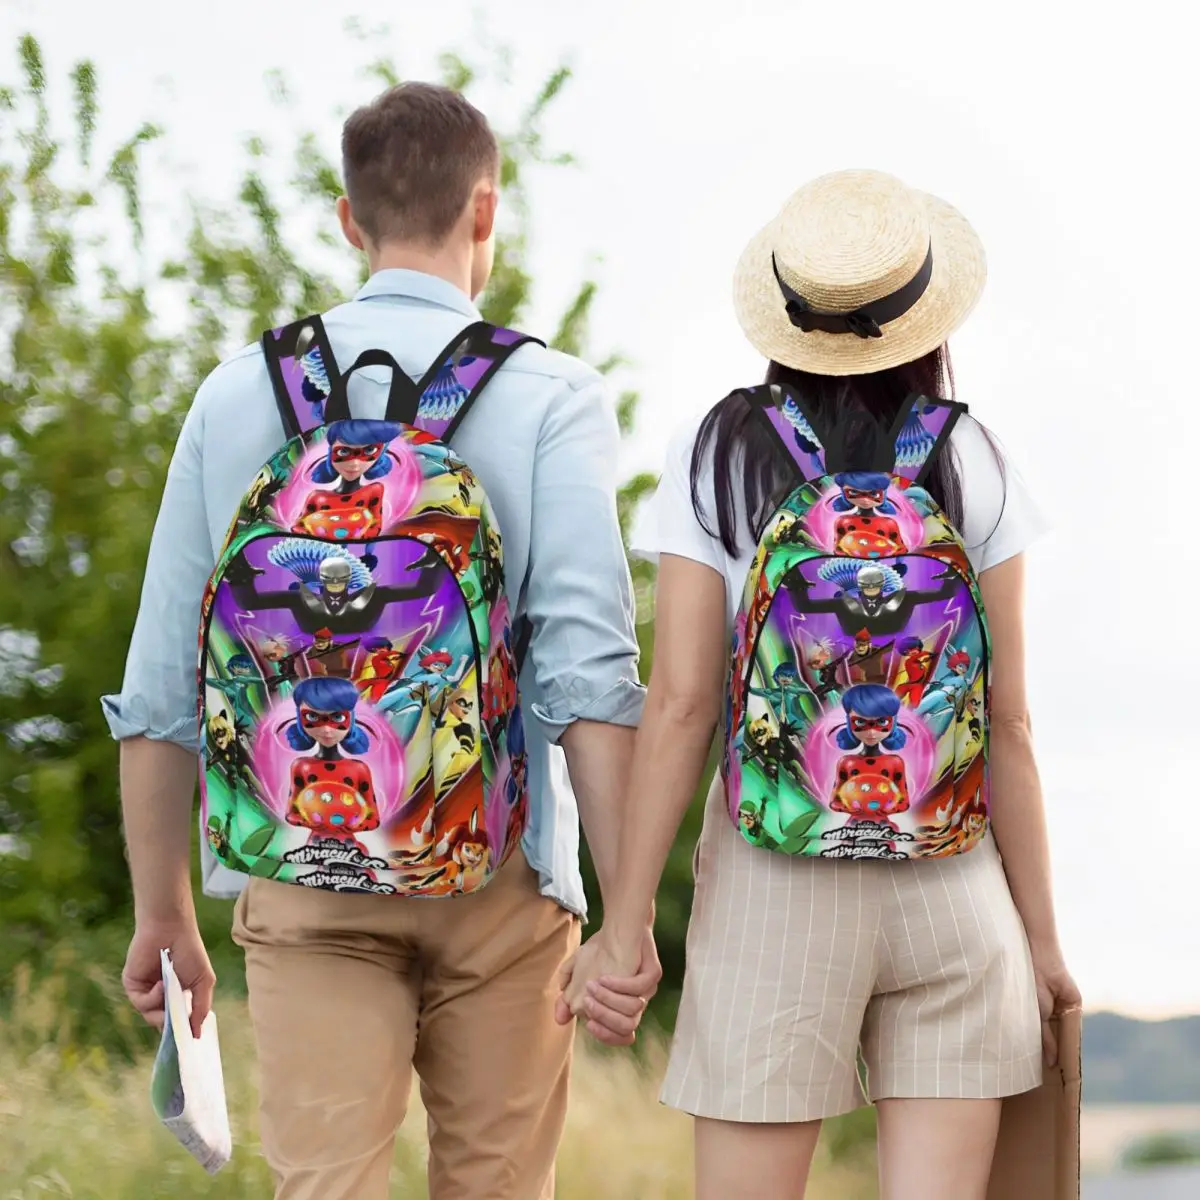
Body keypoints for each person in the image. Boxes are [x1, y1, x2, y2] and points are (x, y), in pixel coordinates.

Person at [103, 81, 661, 1200]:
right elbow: (588, 677)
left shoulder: (235, 395)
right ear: (486, 213)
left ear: (349, 220)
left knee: (325, 1187)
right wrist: (627, 914)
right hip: (500, 873)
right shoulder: (550, 394)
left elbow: (163, 682)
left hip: (300, 871)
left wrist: (162, 912)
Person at [558, 169, 1080, 1200]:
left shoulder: (717, 453)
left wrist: (624, 926)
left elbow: (682, 706)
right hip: (953, 882)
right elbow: (1010, 722)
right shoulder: (974, 457)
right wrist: (1044, 943)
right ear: (924, 316)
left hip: (772, 883)